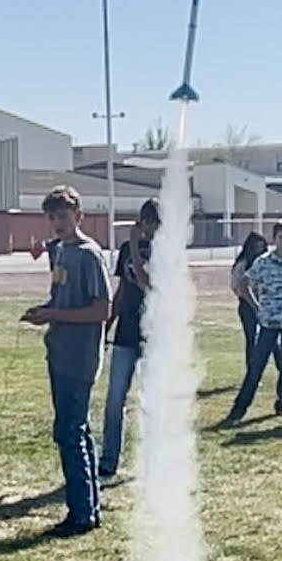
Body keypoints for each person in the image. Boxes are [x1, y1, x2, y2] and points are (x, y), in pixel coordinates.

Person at [22, 185, 111, 536]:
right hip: (59, 352)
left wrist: (55, 313)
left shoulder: (89, 254)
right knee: (76, 430)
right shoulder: (60, 252)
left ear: (79, 215)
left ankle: (81, 514)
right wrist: (45, 311)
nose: (57, 222)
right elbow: (62, 297)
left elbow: (101, 309)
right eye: (52, 216)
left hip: (79, 357)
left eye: (63, 215)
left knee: (69, 432)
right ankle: (88, 506)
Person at [221, 219, 282, 425]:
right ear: (274, 239)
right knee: (257, 365)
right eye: (281, 237)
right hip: (268, 322)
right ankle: (239, 408)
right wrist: (256, 306)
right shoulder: (263, 263)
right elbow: (243, 284)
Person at [99, 199, 159, 481]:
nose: (149, 229)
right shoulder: (126, 250)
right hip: (126, 333)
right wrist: (107, 326)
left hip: (153, 335)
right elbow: (123, 290)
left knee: (150, 402)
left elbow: (148, 282)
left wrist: (135, 246)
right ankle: (109, 459)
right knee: (114, 399)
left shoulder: (166, 251)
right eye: (147, 222)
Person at [228, 230, 269, 371]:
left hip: (267, 304)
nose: (259, 251)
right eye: (256, 247)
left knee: (274, 341)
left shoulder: (267, 264)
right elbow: (236, 286)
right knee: (252, 339)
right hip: (247, 307)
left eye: (261, 247)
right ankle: (252, 370)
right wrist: (253, 302)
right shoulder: (243, 264)